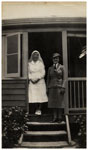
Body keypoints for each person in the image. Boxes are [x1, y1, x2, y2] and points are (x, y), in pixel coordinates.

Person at [47, 53, 66, 122]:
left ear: (59, 59)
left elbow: (64, 78)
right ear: (52, 59)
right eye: (54, 58)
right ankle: (55, 117)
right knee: (53, 103)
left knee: (60, 102)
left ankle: (60, 117)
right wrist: (47, 88)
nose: (55, 59)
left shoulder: (62, 67)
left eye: (57, 58)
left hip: (59, 86)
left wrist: (63, 87)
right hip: (52, 87)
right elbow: (48, 79)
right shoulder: (50, 68)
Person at [28, 50, 48, 115]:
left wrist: (38, 79)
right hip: (32, 82)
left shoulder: (41, 63)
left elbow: (43, 72)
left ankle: (39, 109)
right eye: (34, 55)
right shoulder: (29, 64)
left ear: (38, 56)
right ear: (32, 56)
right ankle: (35, 108)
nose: (35, 56)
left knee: (40, 95)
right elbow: (28, 72)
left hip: (40, 81)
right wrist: (31, 79)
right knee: (34, 95)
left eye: (37, 55)